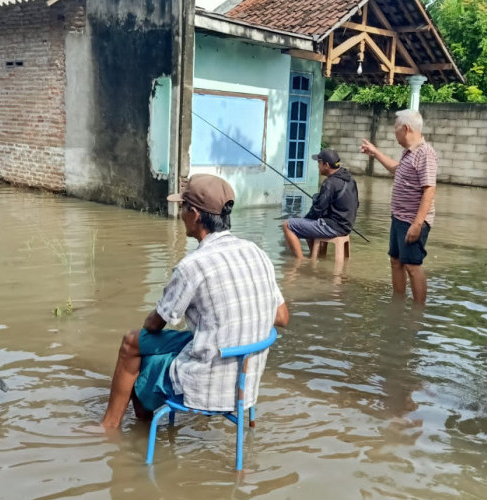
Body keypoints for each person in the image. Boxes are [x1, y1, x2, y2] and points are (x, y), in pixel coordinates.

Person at [101, 174, 289, 429]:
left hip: (207, 384)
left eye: (182, 207)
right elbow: (281, 317)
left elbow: (156, 323)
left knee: (133, 348)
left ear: (196, 214)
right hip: (246, 383)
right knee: (158, 343)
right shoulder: (257, 253)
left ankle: (112, 427)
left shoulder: (193, 265)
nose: (180, 214)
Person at [359, 109, 437, 304]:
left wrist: (418, 224)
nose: (395, 134)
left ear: (406, 128)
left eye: (396, 129)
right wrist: (376, 153)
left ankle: (418, 312)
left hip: (412, 220)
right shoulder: (408, 153)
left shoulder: (425, 153)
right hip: (399, 218)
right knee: (396, 261)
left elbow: (429, 190)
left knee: (412, 265)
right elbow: (397, 169)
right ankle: (398, 303)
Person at [282, 149, 359, 259]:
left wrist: (305, 219)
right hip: (347, 226)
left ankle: (300, 262)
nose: (318, 166)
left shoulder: (329, 183)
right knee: (309, 223)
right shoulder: (351, 180)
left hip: (334, 227)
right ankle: (319, 257)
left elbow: (318, 209)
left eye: (319, 162)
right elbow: (356, 205)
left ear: (326, 165)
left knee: (288, 225)